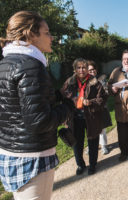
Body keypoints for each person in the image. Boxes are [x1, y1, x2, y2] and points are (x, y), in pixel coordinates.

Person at [0, 11, 73, 200]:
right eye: (47, 32)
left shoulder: (6, 63)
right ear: (31, 34)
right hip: (32, 156)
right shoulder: (31, 65)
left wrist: (56, 95)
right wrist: (68, 107)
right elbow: (40, 121)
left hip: (10, 151)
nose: (51, 37)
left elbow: (16, 103)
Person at [61, 58, 107, 175]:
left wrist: (91, 102)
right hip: (75, 118)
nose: (81, 70)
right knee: (77, 144)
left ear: (87, 69)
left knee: (93, 141)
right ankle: (80, 165)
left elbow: (102, 99)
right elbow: (63, 98)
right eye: (79, 67)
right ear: (75, 69)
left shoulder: (94, 82)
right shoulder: (69, 82)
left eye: (84, 67)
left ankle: (92, 165)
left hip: (91, 117)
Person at [87, 60, 112, 155]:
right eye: (90, 70)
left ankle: (104, 146)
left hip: (101, 108)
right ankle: (92, 146)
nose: (92, 71)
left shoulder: (101, 79)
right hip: (89, 109)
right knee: (90, 128)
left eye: (93, 69)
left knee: (102, 128)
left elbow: (106, 93)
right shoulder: (85, 82)